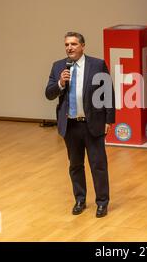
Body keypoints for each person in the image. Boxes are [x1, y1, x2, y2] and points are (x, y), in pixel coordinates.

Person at [45, 31, 115, 218]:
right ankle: (80, 200)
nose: (70, 48)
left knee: (98, 165)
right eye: (67, 44)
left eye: (74, 44)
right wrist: (60, 82)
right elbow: (49, 93)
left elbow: (108, 92)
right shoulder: (58, 66)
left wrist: (109, 120)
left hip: (92, 124)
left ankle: (102, 202)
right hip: (70, 125)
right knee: (75, 165)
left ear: (82, 46)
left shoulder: (97, 65)